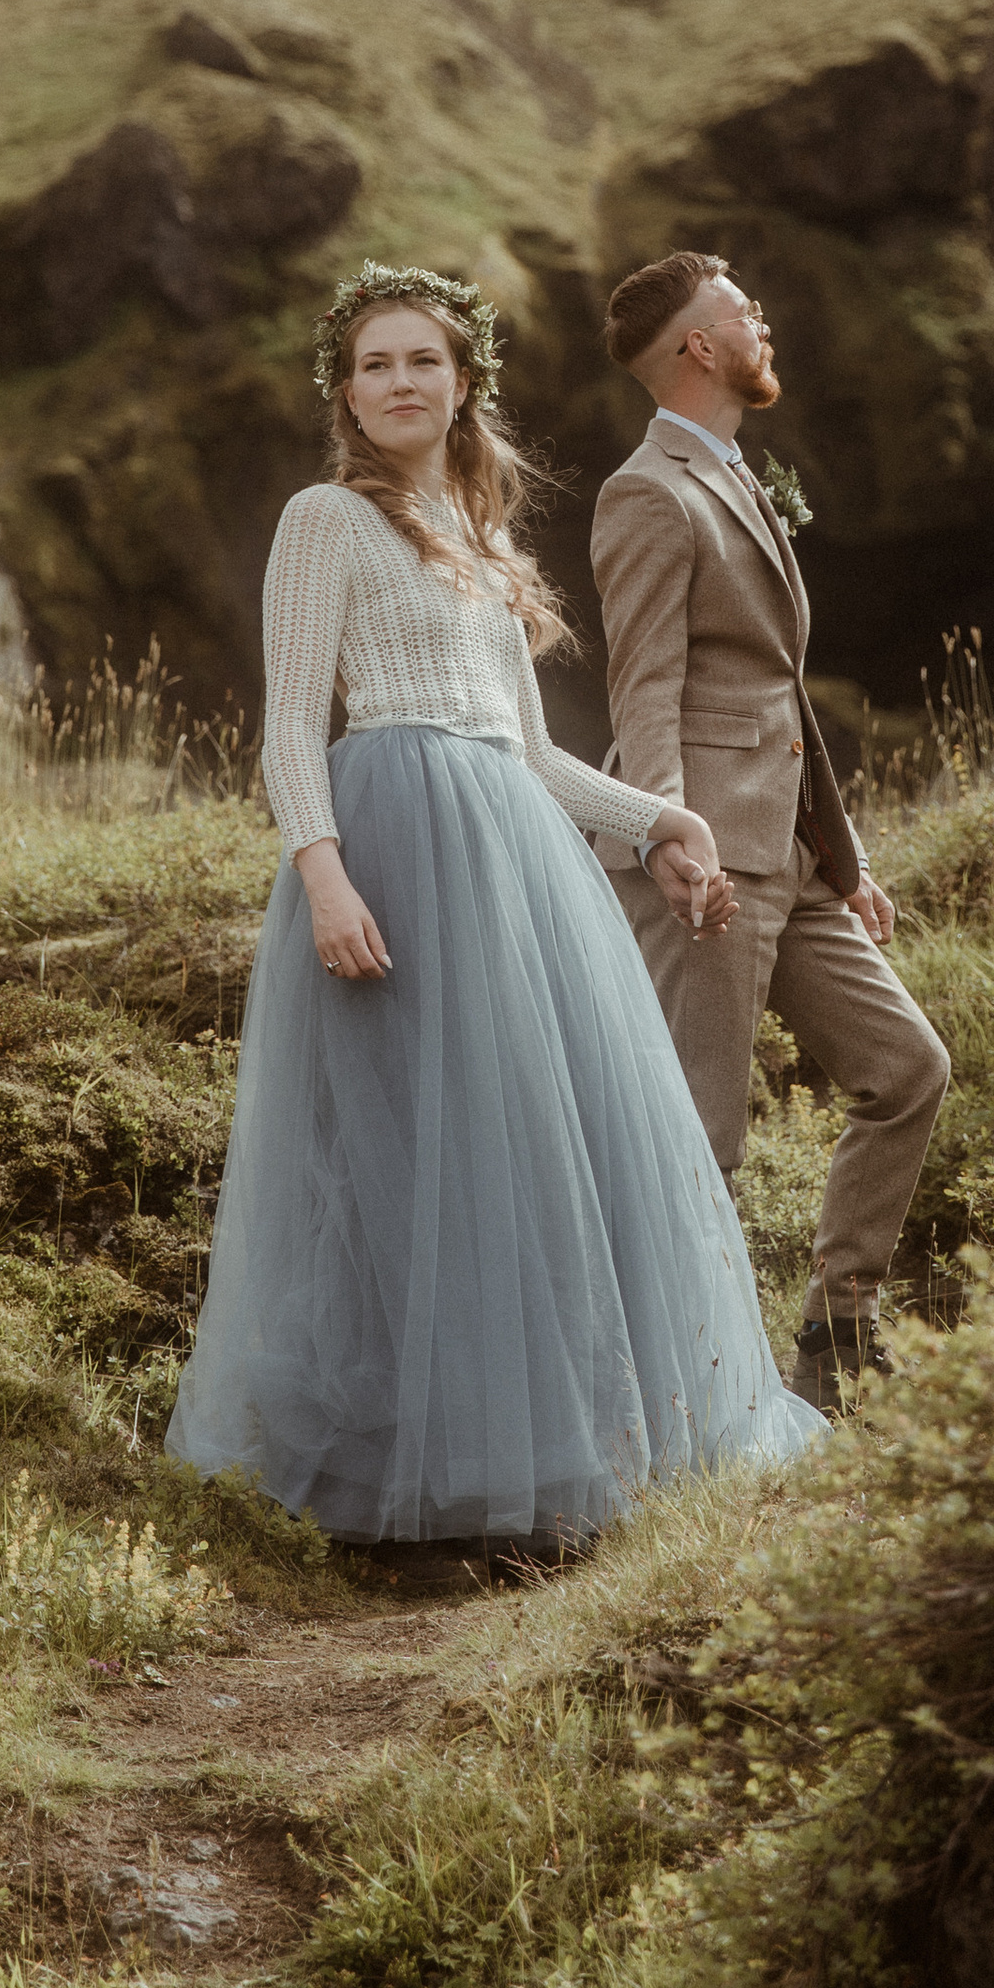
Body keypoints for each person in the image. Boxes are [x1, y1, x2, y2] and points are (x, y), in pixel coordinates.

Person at [166, 258, 821, 1550]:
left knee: (527, 1149)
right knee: (406, 1160)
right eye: (374, 365)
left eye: (423, 361)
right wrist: (324, 870)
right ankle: (393, 1477)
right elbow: (291, 727)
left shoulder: (480, 542)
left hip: (514, 860)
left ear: (463, 387)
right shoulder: (323, 523)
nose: (400, 383)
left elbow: (529, 754)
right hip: (393, 858)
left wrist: (660, 822)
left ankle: (550, 1465)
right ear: (346, 398)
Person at [592, 252, 951, 1413]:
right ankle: (680, 1391)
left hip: (786, 858)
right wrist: (665, 834)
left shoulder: (734, 475)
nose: (762, 323)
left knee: (906, 1070)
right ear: (697, 347)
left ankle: (835, 1338)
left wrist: (841, 863)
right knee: (701, 1134)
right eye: (742, 311)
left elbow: (779, 692)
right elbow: (643, 686)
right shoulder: (646, 493)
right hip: (702, 862)